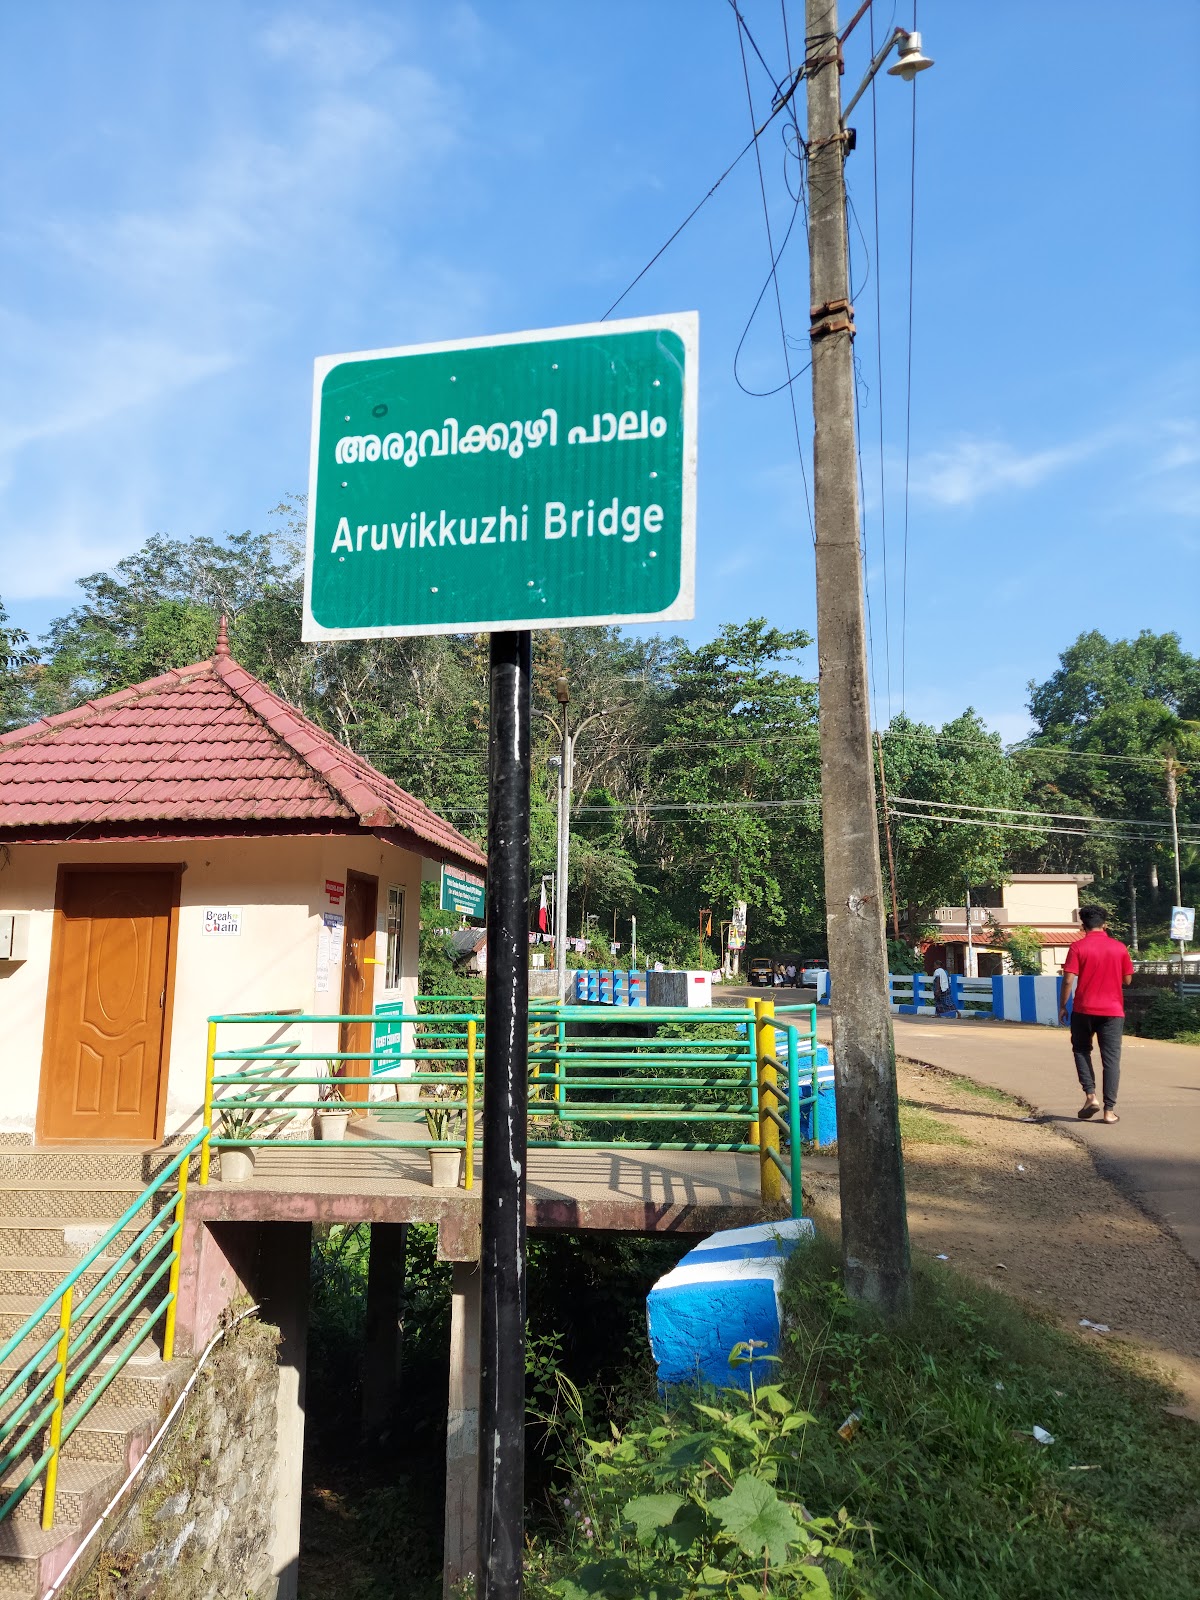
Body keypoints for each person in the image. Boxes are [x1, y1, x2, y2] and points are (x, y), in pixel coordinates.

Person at [1059, 905, 1133, 1124]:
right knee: (1111, 1060)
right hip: (1113, 1011)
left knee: (1081, 1050)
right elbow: (1127, 980)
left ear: (1083, 926)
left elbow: (1068, 979)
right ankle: (1109, 1111)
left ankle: (1091, 1096)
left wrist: (1063, 1005)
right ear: (1105, 924)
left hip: (1083, 1009)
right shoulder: (1119, 948)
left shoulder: (1077, 947)